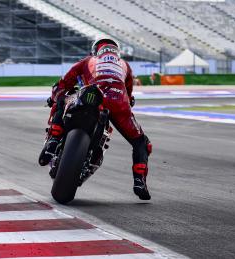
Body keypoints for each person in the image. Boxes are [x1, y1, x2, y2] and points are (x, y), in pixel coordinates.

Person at [38, 38, 152, 200]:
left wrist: (54, 97)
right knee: (141, 142)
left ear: (95, 51)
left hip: (91, 95)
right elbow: (129, 95)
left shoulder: (89, 60)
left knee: (62, 98)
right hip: (119, 102)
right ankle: (139, 181)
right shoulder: (125, 65)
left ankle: (53, 140)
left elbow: (63, 83)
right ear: (116, 52)